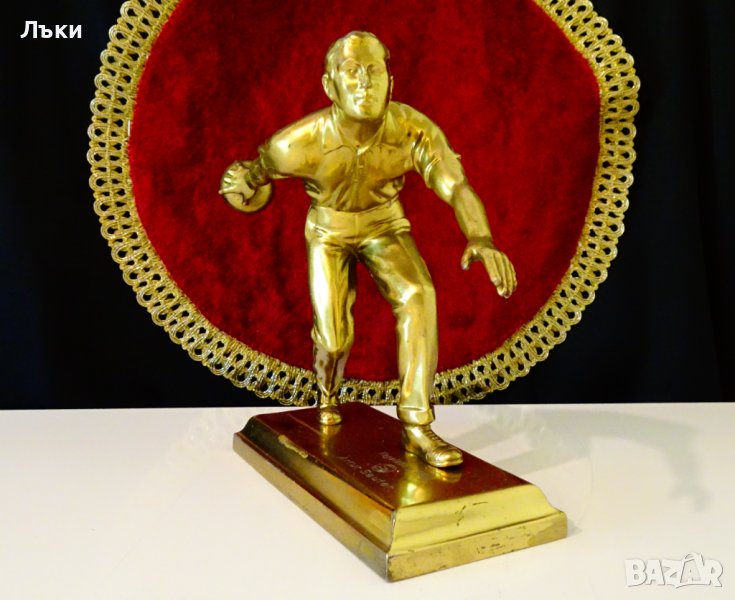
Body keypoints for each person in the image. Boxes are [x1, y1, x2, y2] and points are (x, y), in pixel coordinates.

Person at [219, 31, 516, 468]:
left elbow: (456, 187)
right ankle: (327, 393)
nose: (365, 82)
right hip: (329, 231)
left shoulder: (413, 130)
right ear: (330, 85)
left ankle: (416, 425)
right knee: (334, 337)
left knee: (419, 294)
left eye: (374, 71)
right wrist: (242, 185)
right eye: (351, 72)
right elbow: (253, 176)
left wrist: (481, 237)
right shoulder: (295, 144)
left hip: (385, 224)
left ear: (390, 83)